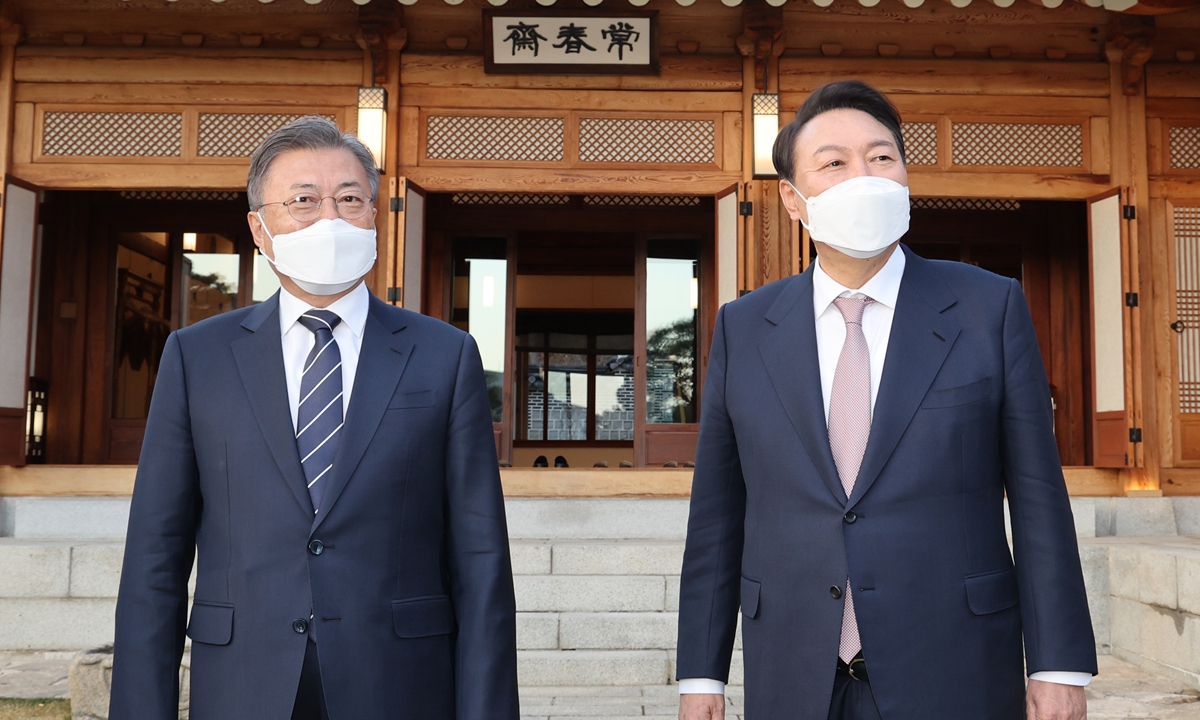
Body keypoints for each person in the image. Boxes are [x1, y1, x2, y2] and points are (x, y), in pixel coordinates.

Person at [675, 81, 1096, 720]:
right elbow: (716, 515)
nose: (864, 176)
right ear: (793, 199)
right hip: (794, 666)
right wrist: (700, 678)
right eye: (834, 163)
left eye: (881, 158)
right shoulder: (745, 326)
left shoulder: (987, 308)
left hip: (955, 662)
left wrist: (1058, 662)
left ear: (904, 178)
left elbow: (1038, 495)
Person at [109, 116, 519, 720]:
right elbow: (155, 554)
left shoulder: (444, 354)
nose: (330, 217)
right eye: (303, 200)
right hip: (244, 679)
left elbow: (481, 560)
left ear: (374, 215)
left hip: (400, 679)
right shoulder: (198, 357)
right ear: (259, 227)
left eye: (349, 199)